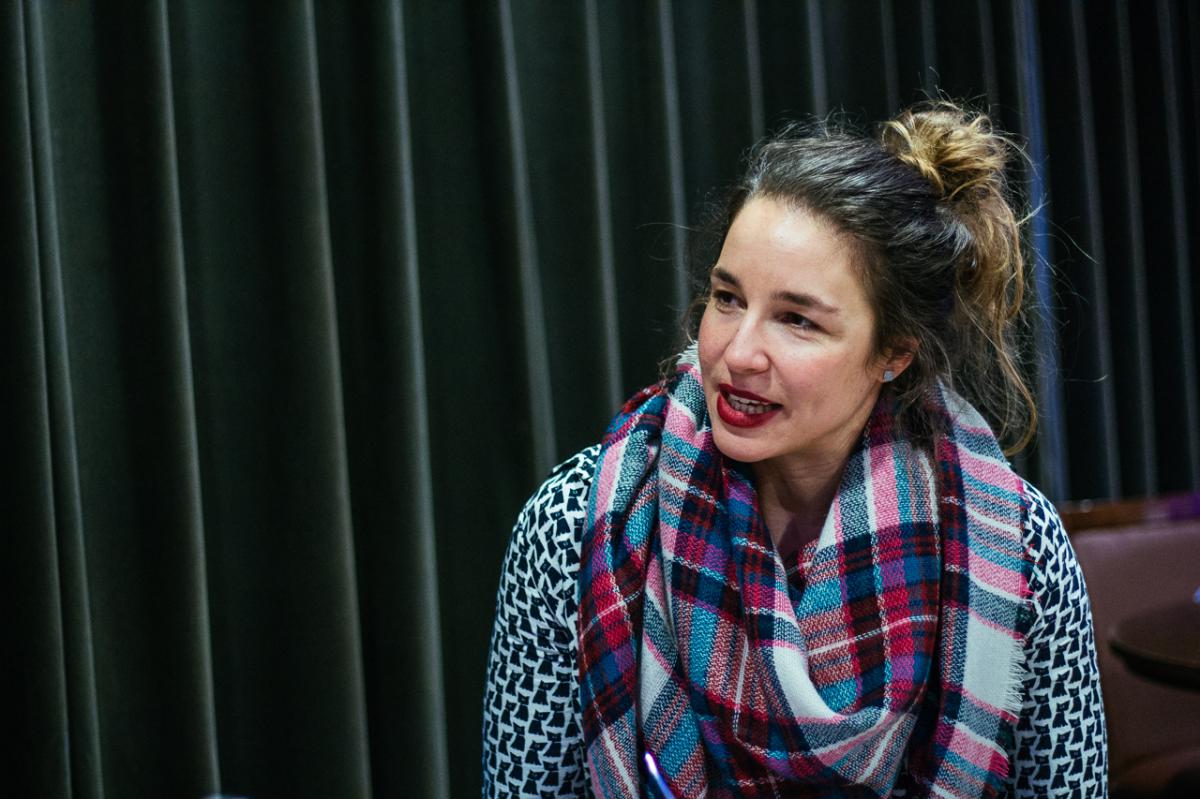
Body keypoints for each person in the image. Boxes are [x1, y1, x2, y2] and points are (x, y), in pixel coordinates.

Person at [482, 102, 1107, 798]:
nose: (737, 352)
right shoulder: (576, 523)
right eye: (727, 298)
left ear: (894, 353)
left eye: (797, 319)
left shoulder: (1013, 544)